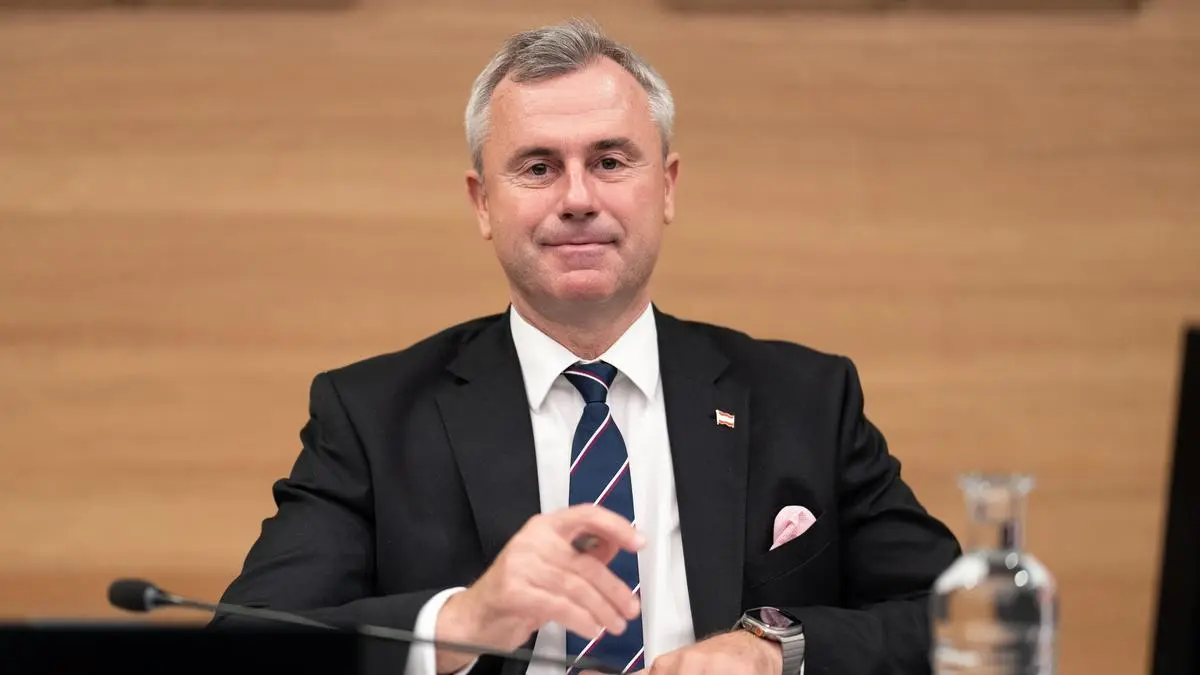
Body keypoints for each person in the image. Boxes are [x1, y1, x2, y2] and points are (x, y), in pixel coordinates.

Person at [214, 17, 961, 675]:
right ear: (482, 203)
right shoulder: (373, 417)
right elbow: (248, 644)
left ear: (666, 187)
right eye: (538, 167)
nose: (577, 198)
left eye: (609, 161)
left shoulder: (805, 399)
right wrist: (461, 621)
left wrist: (777, 651)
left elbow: (961, 618)